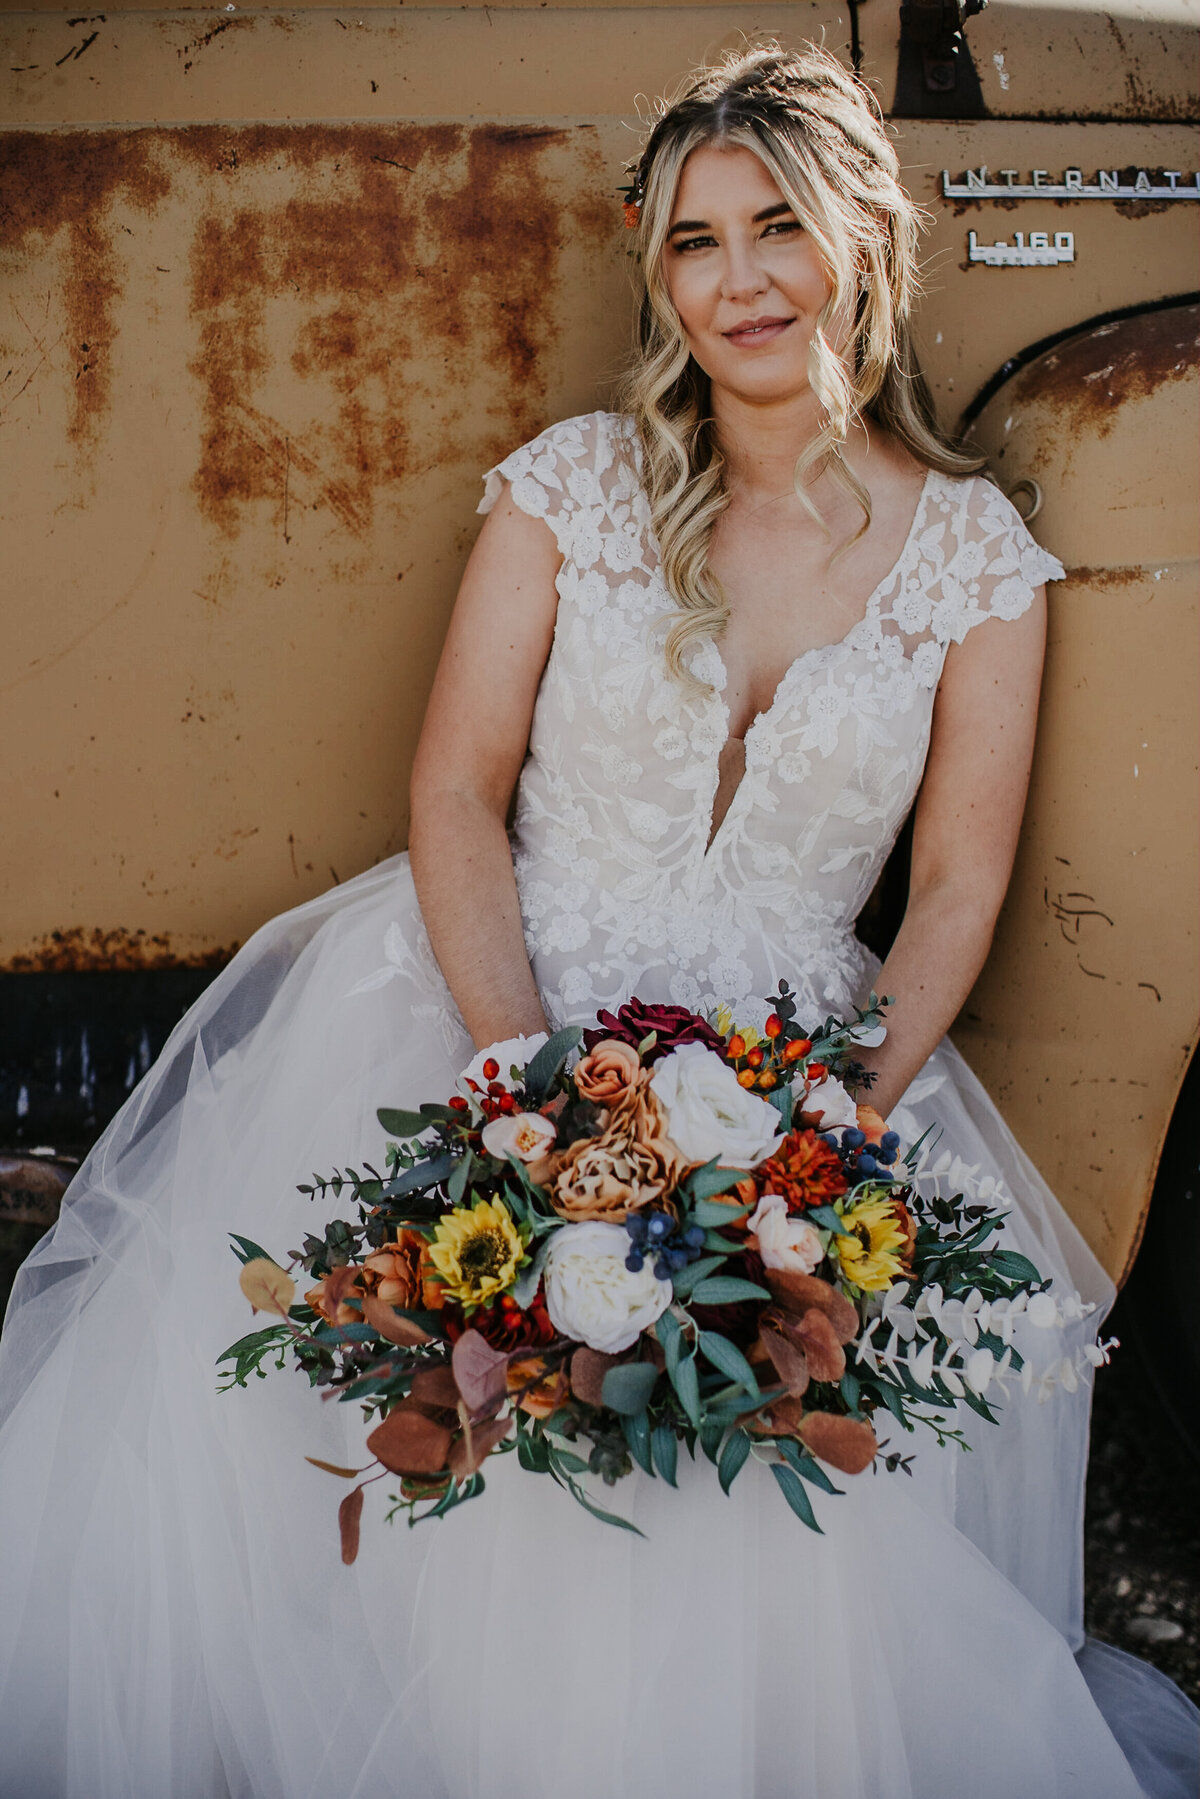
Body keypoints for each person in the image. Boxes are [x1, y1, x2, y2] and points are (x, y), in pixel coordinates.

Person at [0, 42, 1195, 1799]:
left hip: (791, 1073)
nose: (737, 284)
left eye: (777, 227)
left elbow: (956, 884)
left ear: (863, 241)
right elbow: (455, 797)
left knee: (745, 1505)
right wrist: (519, 1089)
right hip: (489, 1000)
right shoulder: (573, 487)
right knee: (454, 1448)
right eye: (695, 243)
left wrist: (842, 1132)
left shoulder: (977, 563)